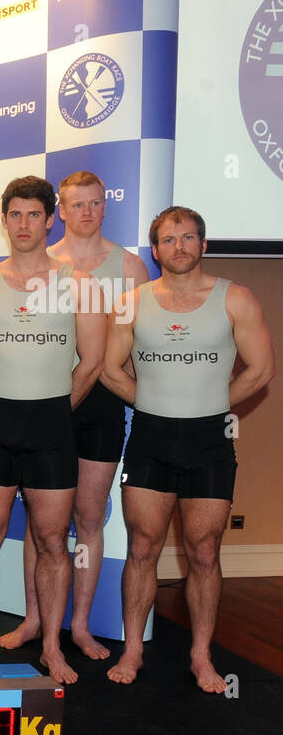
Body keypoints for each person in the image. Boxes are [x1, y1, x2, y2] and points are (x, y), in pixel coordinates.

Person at [102, 206, 273, 691]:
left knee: (204, 550)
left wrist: (209, 406)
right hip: (151, 439)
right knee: (142, 547)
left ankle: (201, 656)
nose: (179, 246)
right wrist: (156, 403)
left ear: (204, 245)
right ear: (154, 250)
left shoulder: (235, 298)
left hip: (209, 442)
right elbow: (112, 369)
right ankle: (133, 649)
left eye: (189, 238)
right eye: (169, 239)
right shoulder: (132, 302)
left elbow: (260, 370)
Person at [0, 176, 104, 684]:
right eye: (14, 215)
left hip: (51, 429)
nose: (23, 224)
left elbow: (92, 362)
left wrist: (55, 410)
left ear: (49, 219)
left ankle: (53, 648)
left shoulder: (78, 284)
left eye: (33, 215)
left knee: (52, 541)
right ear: (4, 221)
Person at [4, 172, 151, 661]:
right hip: (45, 401)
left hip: (102, 403)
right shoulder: (45, 263)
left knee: (89, 518)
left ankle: (81, 626)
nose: (86, 211)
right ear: (59, 212)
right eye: (75, 204)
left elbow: (131, 346)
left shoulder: (130, 268)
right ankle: (33, 618)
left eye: (95, 203)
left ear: (106, 207)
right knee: (42, 523)